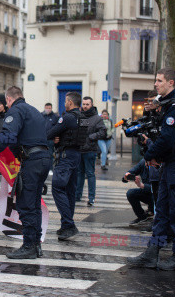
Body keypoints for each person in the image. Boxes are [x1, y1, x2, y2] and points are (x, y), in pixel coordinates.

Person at [127, 68, 175, 271]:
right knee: (162, 212)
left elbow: (167, 139)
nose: (155, 84)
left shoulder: (174, 107)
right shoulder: (166, 105)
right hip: (170, 163)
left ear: (170, 83)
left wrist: (149, 155)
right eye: (156, 80)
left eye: (159, 80)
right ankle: (152, 253)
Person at [0, 86, 49, 259]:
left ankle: (28, 246)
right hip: (43, 159)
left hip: (32, 161)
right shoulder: (34, 111)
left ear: (8, 99)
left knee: (26, 203)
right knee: (33, 204)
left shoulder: (16, 110)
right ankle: (35, 245)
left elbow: (7, 136)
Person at [46, 92, 86, 240]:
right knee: (70, 191)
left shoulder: (68, 117)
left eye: (66, 101)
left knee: (57, 187)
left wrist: (56, 138)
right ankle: (65, 226)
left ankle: (69, 224)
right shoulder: (82, 117)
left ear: (70, 102)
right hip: (76, 156)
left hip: (66, 156)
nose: (65, 104)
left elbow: (51, 132)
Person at [75, 97, 106, 206]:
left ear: (92, 105)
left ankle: (91, 198)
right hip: (80, 150)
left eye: (87, 104)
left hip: (90, 150)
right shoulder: (79, 116)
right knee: (79, 174)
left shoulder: (97, 118)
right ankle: (77, 196)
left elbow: (103, 132)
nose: (85, 106)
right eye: (83, 104)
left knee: (90, 174)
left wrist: (91, 137)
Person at [124, 159, 155, 226]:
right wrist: (126, 176)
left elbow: (158, 188)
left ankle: (154, 215)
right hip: (147, 193)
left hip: (157, 195)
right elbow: (132, 171)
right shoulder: (143, 163)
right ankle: (142, 217)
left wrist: (141, 185)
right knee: (131, 193)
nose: (147, 164)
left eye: (150, 162)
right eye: (146, 162)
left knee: (156, 195)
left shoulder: (159, 165)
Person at [42, 103, 59, 171]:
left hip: (51, 140)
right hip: (42, 139)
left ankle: (50, 169)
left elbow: (57, 128)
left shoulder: (55, 117)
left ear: (51, 108)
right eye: (47, 108)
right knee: (42, 155)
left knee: (50, 155)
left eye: (49, 108)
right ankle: (43, 169)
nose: (48, 109)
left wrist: (56, 138)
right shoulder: (41, 116)